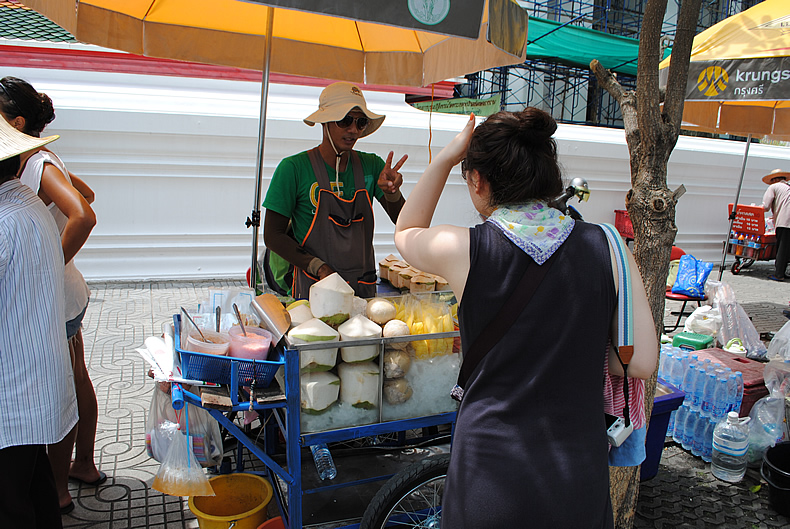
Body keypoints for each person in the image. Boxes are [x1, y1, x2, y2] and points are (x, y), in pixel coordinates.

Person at [393, 109, 657, 528]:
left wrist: (445, 157)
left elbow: (405, 230)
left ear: (478, 181)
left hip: (490, 473)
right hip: (576, 473)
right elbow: (640, 362)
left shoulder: (462, 247)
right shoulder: (607, 245)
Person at [0, 76, 103, 514]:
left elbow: (84, 212)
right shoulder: (35, 165)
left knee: (68, 382)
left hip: (52, 293)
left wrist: (47, 263)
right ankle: (82, 466)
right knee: (72, 377)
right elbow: (88, 192)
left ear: (16, 123)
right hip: (57, 292)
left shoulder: (35, 165)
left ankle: (63, 485)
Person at [0, 115, 77, 528]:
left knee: (14, 502)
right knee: (34, 486)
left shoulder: (7, 218)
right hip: (31, 382)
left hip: (13, 393)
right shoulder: (25, 202)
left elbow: (84, 211)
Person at [263, 82, 408, 299]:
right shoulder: (293, 169)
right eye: (345, 120)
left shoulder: (373, 166)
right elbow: (272, 236)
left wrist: (392, 193)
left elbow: (404, 223)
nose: (353, 130)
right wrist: (317, 267)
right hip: (315, 288)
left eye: (360, 123)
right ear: (325, 121)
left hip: (362, 289)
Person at [761, 168, 790, 282]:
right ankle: (783, 271)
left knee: (782, 248)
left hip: (785, 221)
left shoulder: (773, 187)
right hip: (786, 220)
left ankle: (779, 274)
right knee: (787, 249)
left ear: (773, 180)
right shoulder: (787, 188)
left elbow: (766, 206)